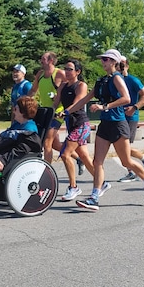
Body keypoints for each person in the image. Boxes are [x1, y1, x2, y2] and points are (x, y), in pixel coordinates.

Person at [67, 49, 144, 211]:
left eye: (106, 59)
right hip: (105, 125)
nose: (103, 62)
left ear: (114, 62)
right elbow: (85, 100)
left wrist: (104, 106)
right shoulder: (102, 80)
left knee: (126, 161)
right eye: (102, 59)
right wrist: (68, 110)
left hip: (118, 124)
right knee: (97, 162)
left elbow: (127, 98)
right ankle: (94, 197)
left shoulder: (117, 78)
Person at [53, 59, 95, 201]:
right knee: (83, 156)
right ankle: (101, 182)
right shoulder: (63, 86)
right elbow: (55, 103)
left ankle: (73, 187)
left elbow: (78, 102)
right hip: (71, 124)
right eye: (66, 68)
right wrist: (49, 112)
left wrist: (65, 111)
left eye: (70, 69)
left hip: (81, 124)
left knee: (65, 154)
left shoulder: (81, 86)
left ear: (78, 72)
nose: (67, 71)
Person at [117, 56, 144, 182]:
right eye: (118, 64)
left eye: (122, 64)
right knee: (120, 147)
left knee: (124, 147)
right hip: (118, 117)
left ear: (127, 66)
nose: (120, 67)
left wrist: (134, 107)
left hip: (130, 117)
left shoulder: (132, 80)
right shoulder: (115, 80)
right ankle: (137, 166)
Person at [28, 52, 66, 163]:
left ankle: (46, 172)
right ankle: (77, 158)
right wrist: (24, 100)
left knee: (46, 142)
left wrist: (57, 96)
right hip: (45, 112)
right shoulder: (40, 74)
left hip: (57, 112)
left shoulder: (59, 74)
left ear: (50, 61)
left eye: (43, 59)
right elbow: (33, 90)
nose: (41, 61)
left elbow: (70, 91)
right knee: (55, 144)